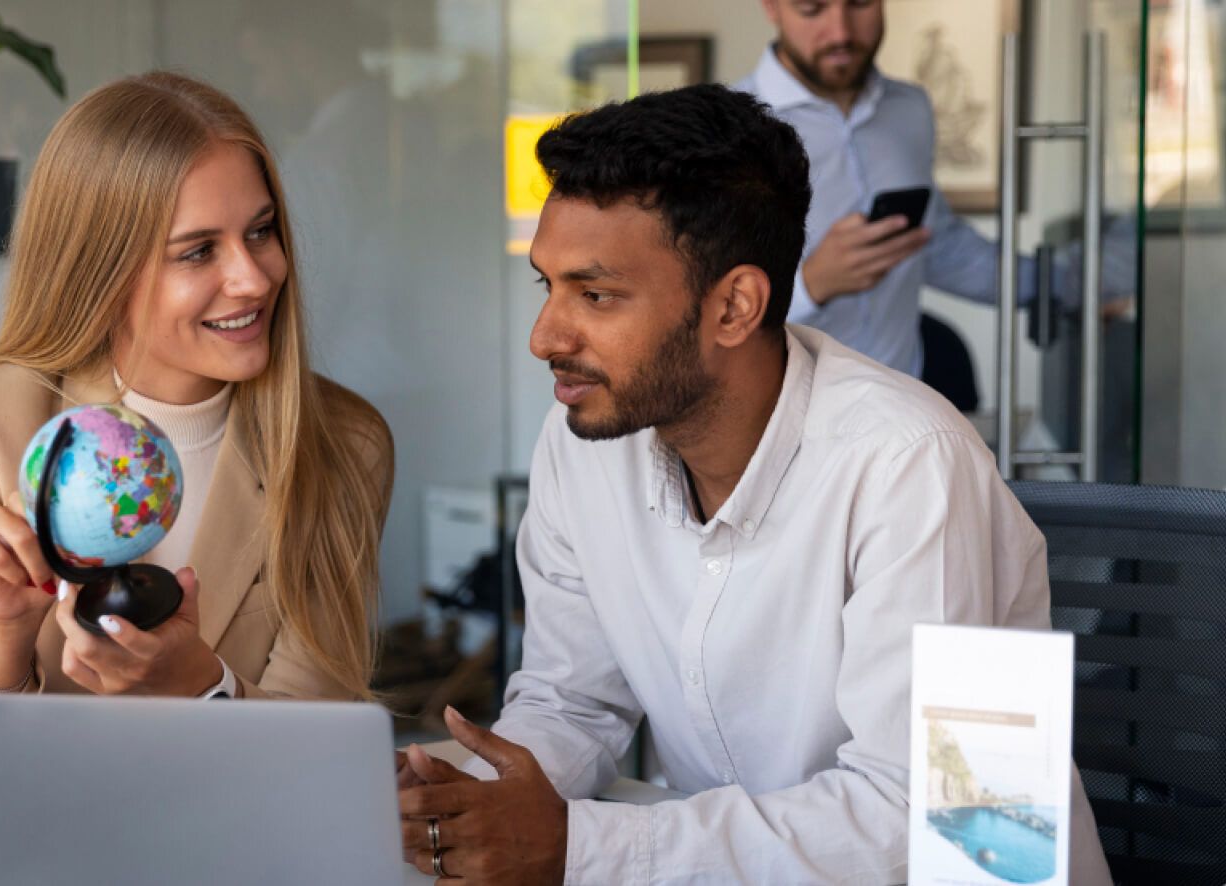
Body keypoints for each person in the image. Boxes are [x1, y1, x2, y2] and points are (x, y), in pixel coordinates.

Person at [395, 84, 1111, 884]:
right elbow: (573, 703)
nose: (545, 337)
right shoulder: (589, 439)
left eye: (595, 295)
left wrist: (579, 849)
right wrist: (468, 804)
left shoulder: (914, 464)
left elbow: (939, 819)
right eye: (548, 286)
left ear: (734, 306)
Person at [0, 71, 393, 703]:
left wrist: (203, 688)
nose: (254, 278)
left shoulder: (344, 444)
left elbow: (320, 735)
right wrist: (0, 630)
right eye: (197, 252)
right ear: (100, 271)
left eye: (261, 231)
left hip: (234, 805)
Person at [735, 0, 1129, 400]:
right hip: (786, 421)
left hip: (903, 407)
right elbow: (698, 306)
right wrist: (810, 284)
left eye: (860, 4)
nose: (841, 32)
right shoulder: (732, 128)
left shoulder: (910, 110)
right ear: (771, 6)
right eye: (812, 8)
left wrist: (1071, 288)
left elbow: (941, 247)